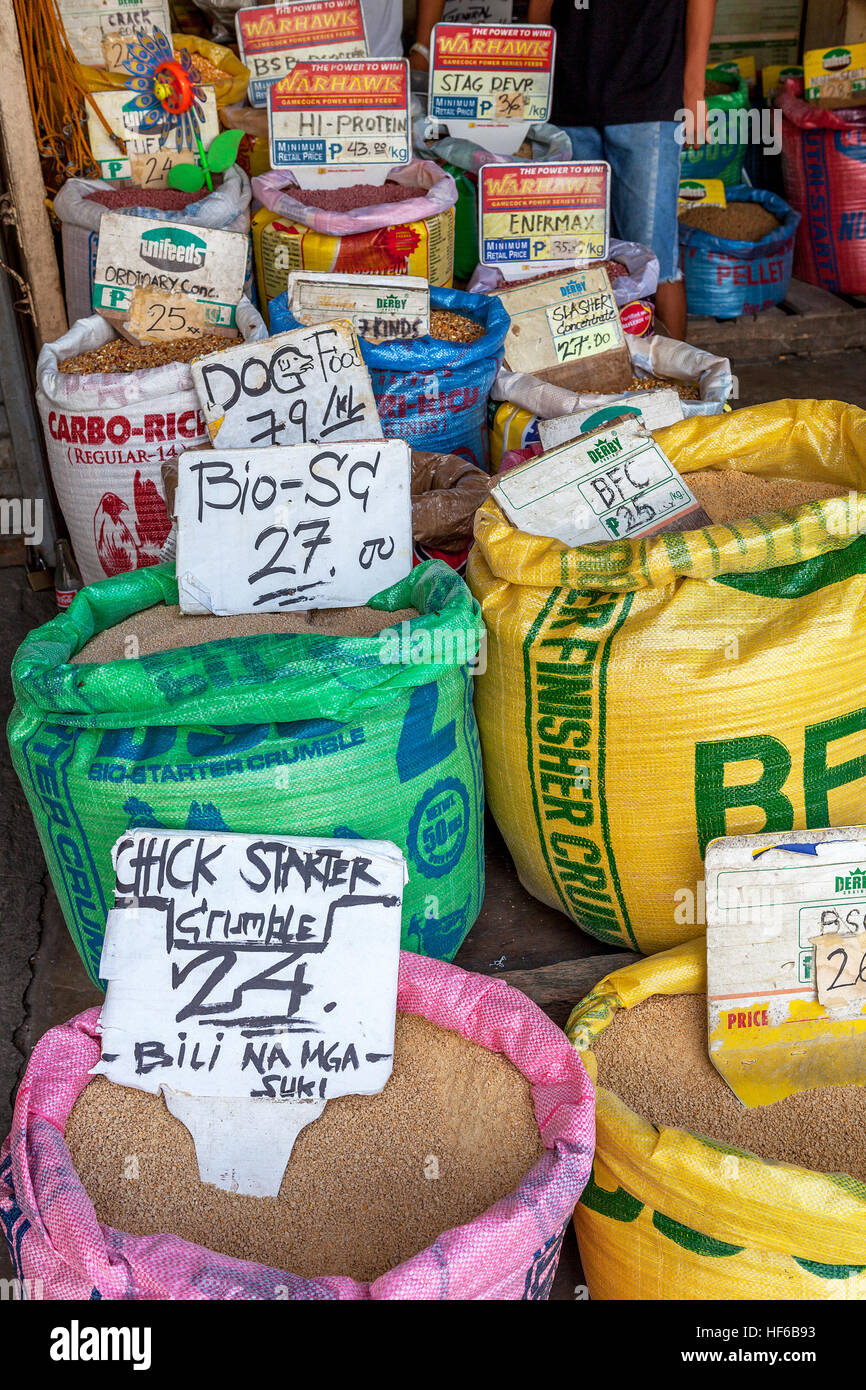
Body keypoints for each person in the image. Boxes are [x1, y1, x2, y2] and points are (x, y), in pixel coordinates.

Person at [528, 0, 717, 339]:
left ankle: (674, 386)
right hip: (568, 99)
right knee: (575, 263)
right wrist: (535, 78)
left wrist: (694, 92)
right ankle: (601, 377)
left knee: (657, 262)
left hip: (649, 96)